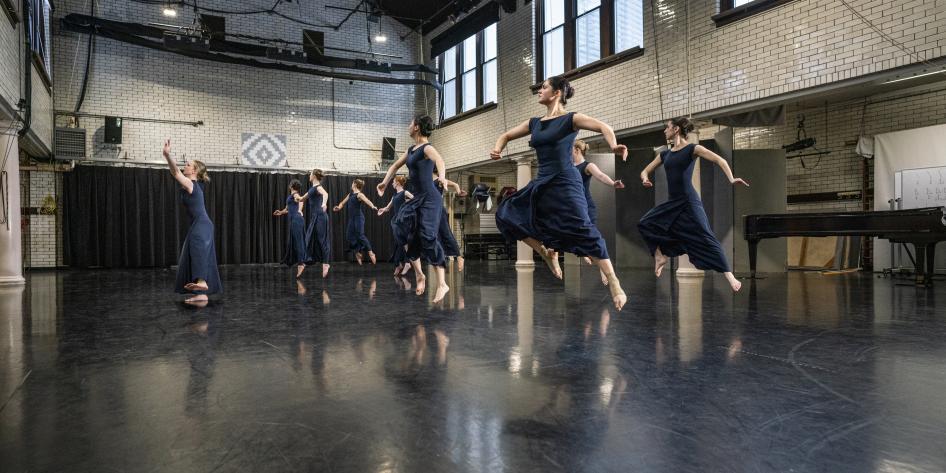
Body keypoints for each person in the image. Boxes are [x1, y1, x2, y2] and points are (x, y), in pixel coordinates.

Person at [490, 76, 627, 310]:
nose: (539, 91)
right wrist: (497, 148)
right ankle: (545, 252)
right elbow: (505, 135)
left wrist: (613, 145)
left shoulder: (571, 119)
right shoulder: (535, 123)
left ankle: (613, 281)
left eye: (543, 87)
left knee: (583, 229)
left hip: (565, 180)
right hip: (543, 182)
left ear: (556, 93)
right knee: (506, 213)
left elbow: (605, 127)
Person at [638, 117, 748, 292]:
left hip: (689, 201)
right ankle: (660, 256)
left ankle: (729, 275)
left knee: (705, 236)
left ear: (676, 129)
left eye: (667, 127)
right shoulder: (665, 154)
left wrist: (731, 178)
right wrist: (645, 178)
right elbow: (645, 170)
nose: (664, 130)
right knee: (645, 223)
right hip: (673, 202)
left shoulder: (692, 149)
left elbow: (720, 160)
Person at [377, 115, 451, 303]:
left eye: (410, 123)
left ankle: (442, 283)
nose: (408, 126)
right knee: (403, 231)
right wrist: (384, 183)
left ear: (417, 127)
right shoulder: (411, 150)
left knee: (427, 236)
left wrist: (442, 177)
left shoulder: (427, 148)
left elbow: (440, 161)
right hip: (417, 198)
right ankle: (419, 275)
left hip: (430, 199)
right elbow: (394, 165)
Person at [161, 139, 222, 303]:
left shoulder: (191, 184)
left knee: (198, 252)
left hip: (202, 224)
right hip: (201, 225)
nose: (185, 166)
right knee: (192, 253)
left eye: (188, 164)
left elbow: (175, 173)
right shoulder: (195, 186)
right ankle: (202, 294)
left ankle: (201, 282)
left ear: (194, 171)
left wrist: (167, 155)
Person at [571, 138, 625, 285]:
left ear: (576, 150)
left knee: (592, 236)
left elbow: (601, 175)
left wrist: (613, 183)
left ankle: (603, 269)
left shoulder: (587, 166)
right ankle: (585, 253)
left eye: (569, 149)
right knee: (573, 233)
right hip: (572, 208)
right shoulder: (568, 166)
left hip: (585, 206)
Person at [294, 169, 332, 278]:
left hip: (320, 216)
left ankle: (325, 264)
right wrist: (295, 198)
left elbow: (325, 194)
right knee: (308, 240)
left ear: (314, 176)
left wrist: (324, 204)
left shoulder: (318, 187)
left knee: (322, 240)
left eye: (310, 174)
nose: (309, 176)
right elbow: (301, 199)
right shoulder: (311, 189)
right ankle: (304, 262)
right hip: (314, 217)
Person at [333, 179, 378, 265]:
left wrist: (373, 206)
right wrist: (339, 207)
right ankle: (357, 252)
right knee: (349, 236)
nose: (351, 184)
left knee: (360, 235)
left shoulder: (359, 195)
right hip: (351, 219)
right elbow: (342, 202)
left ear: (355, 184)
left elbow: (367, 200)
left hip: (359, 218)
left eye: (352, 183)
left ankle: (370, 252)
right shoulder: (350, 194)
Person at [378, 175, 414, 276]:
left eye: (393, 182)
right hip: (396, 220)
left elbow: (415, 200)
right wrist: (382, 210)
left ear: (398, 182)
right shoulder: (394, 196)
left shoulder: (405, 192)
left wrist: (408, 204)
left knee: (403, 242)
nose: (392, 183)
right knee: (399, 243)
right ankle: (399, 264)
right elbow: (388, 207)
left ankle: (406, 263)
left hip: (403, 220)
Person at [273, 179, 308, 278]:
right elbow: (287, 209)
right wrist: (280, 212)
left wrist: (301, 200)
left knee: (298, 242)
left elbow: (299, 199)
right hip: (294, 220)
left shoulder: (295, 195)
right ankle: (300, 262)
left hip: (297, 220)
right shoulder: (290, 197)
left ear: (291, 186)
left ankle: (301, 264)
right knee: (294, 242)